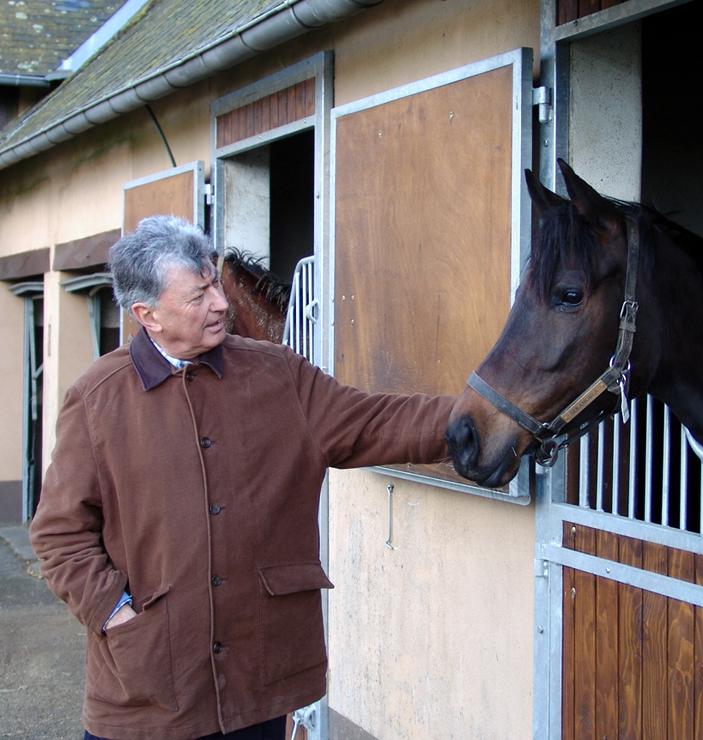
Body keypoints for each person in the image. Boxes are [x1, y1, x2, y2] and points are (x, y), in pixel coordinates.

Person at [29, 215, 454, 740]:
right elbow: (59, 533)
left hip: (256, 681)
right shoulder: (98, 398)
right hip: (148, 689)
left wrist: (477, 417)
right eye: (198, 296)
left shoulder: (276, 373)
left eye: (214, 284)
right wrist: (114, 613)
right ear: (147, 315)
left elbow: (371, 422)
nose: (221, 304)